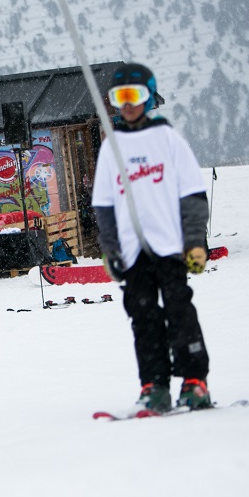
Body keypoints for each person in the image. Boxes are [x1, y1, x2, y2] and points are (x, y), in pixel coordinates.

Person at [91, 62, 212, 413]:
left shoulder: (168, 139)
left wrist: (194, 242)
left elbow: (192, 195)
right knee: (142, 317)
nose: (127, 105)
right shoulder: (110, 149)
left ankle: (195, 382)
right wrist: (111, 248)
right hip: (133, 252)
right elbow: (104, 205)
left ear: (148, 97)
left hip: (170, 245)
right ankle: (154, 385)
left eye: (135, 96)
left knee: (179, 311)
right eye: (119, 98)